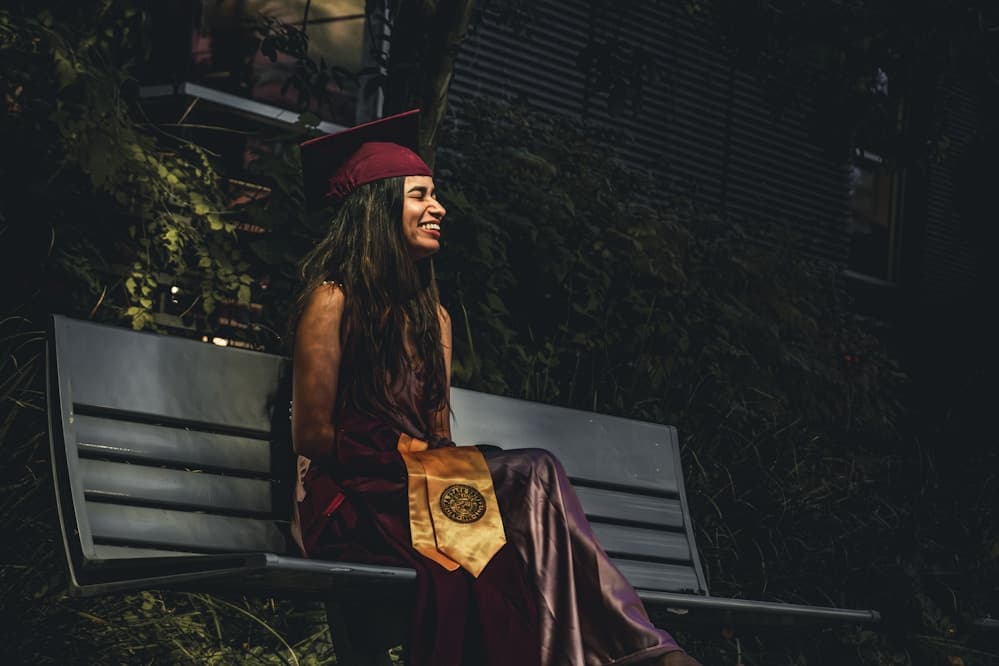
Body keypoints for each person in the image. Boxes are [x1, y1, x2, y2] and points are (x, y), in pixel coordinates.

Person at [289, 109, 699, 666]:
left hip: (419, 493)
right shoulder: (332, 299)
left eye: (435, 196)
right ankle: (639, 649)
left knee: (526, 522)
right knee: (534, 473)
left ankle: (614, 652)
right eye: (420, 196)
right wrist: (414, 464)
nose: (439, 208)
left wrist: (435, 469)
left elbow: (436, 437)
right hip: (355, 502)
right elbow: (312, 435)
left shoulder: (434, 320)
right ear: (377, 208)